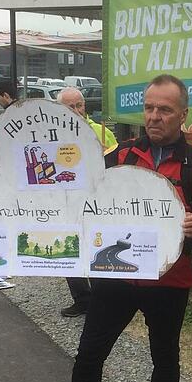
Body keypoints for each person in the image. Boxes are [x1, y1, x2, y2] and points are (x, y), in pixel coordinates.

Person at [69, 74, 192, 382]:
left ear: (183, 115)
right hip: (115, 275)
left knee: (165, 360)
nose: (154, 116)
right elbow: (67, 179)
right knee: (89, 355)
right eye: (149, 108)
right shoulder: (119, 156)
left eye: (165, 110)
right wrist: (14, 147)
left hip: (169, 281)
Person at [55, 86, 118, 318]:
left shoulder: (101, 132)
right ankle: (81, 299)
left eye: (79, 105)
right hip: (64, 200)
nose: (76, 110)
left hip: (96, 201)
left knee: (98, 247)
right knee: (68, 247)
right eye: (69, 107)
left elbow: (116, 168)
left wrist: (103, 154)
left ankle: (103, 301)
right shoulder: (49, 132)